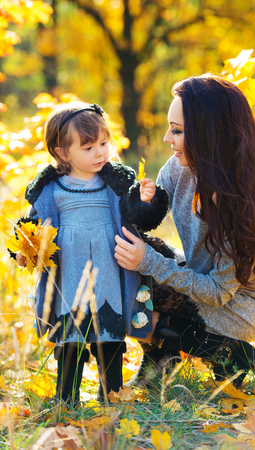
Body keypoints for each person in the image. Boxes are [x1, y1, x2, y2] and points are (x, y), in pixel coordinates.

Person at [114, 75, 255, 387]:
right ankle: (161, 361)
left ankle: (228, 351)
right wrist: (139, 203)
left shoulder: (239, 201)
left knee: (127, 310)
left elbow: (219, 293)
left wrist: (149, 263)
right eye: (170, 127)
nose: (167, 138)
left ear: (210, 135)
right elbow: (146, 219)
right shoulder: (178, 167)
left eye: (178, 131)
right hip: (203, 276)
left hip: (240, 306)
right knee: (118, 273)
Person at [9, 101, 169, 404]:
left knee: (109, 336)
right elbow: (28, 230)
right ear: (62, 152)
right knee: (71, 339)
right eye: (88, 147)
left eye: (104, 143)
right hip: (70, 276)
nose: (100, 152)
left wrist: (148, 201)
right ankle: (66, 398)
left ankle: (112, 396)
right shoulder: (50, 189)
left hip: (110, 273)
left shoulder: (117, 184)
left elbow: (140, 218)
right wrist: (23, 251)